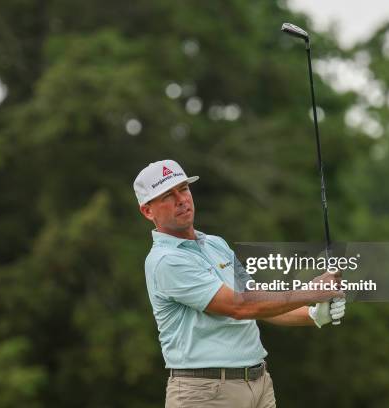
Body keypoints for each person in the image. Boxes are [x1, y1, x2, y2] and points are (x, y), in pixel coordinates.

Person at [134, 159, 346, 408]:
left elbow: (255, 298)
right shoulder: (165, 261)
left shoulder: (215, 244)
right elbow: (240, 307)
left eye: (183, 189)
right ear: (148, 211)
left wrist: (312, 315)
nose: (181, 199)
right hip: (204, 394)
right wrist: (311, 292)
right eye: (168, 195)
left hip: (259, 385)